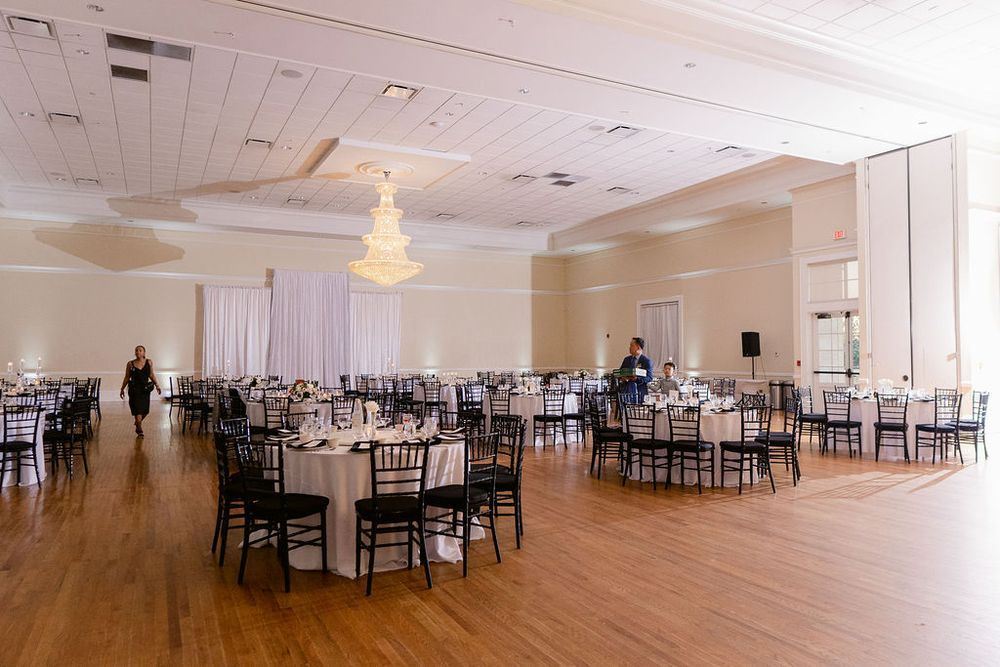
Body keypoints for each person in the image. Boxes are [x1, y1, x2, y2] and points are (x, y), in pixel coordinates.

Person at [120, 345, 161, 436]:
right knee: (138, 410)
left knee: (145, 411)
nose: (138, 352)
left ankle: (138, 423)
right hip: (134, 390)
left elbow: (151, 375)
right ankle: (139, 428)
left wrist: (157, 385)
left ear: (144, 352)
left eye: (140, 350)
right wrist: (122, 389)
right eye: (136, 350)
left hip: (145, 390)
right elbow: (127, 377)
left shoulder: (149, 362)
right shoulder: (130, 364)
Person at [619, 337, 653, 402]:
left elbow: (649, 377)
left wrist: (637, 379)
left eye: (632, 345)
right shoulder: (627, 359)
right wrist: (622, 377)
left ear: (638, 347)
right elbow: (620, 372)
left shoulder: (646, 361)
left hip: (640, 392)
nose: (629, 347)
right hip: (626, 392)